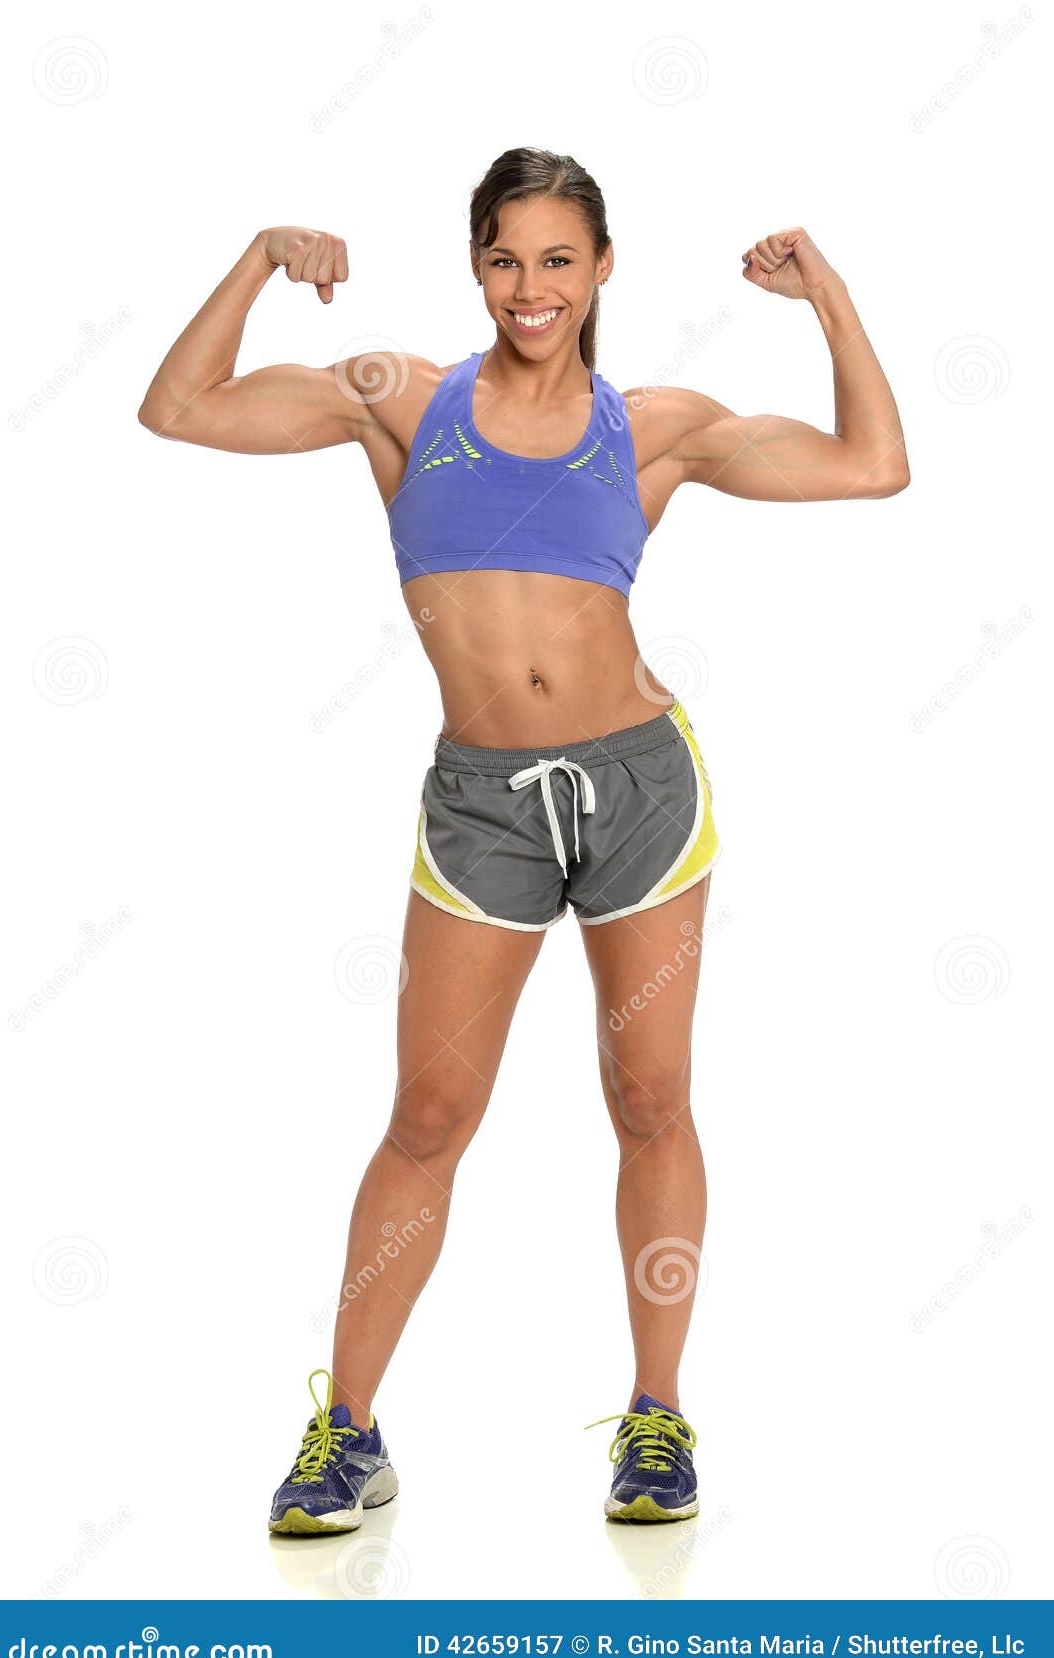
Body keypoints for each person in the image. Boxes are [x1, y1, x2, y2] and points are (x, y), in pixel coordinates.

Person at [138, 147, 909, 1532]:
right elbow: (177, 407)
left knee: (648, 1101)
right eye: (505, 258)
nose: (530, 286)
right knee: (428, 1116)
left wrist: (829, 297)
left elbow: (873, 465)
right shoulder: (401, 401)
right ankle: (349, 1432)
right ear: (474, 267)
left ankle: (656, 1419)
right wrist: (261, 259)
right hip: (482, 802)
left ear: (601, 269)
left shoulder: (654, 424)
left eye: (559, 259)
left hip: (638, 789)